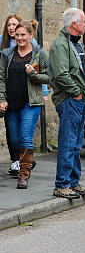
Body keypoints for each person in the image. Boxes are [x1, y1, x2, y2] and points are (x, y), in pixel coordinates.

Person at [49, 8, 85, 199]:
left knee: (76, 144)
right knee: (68, 143)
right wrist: (76, 93)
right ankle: (62, 184)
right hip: (70, 99)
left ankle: (73, 182)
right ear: (74, 24)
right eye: (83, 22)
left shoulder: (76, 43)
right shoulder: (61, 44)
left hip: (78, 99)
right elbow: (60, 74)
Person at [0, 20, 49, 188]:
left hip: (31, 102)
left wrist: (34, 74)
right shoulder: (6, 54)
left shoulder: (39, 53)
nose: (19, 38)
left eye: (23, 35)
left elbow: (49, 77)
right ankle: (26, 160)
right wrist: (1, 99)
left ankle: (23, 175)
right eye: (17, 35)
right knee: (14, 140)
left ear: (31, 35)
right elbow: (1, 79)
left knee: (25, 137)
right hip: (11, 102)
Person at [4, 14, 24, 175]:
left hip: (23, 94)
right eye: (9, 25)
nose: (11, 28)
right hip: (6, 93)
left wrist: (44, 92)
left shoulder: (30, 44)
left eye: (14, 25)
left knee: (23, 130)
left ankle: (23, 160)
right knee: (10, 130)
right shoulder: (3, 44)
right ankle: (16, 160)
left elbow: (40, 67)